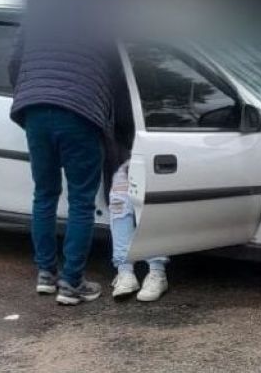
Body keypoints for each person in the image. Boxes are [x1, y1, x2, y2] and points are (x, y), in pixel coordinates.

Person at [9, 24, 133, 306]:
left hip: (36, 111)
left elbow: (15, 62)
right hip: (80, 112)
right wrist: (121, 128)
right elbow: (118, 76)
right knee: (80, 201)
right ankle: (72, 282)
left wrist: (29, 95)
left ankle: (45, 275)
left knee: (44, 194)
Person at [108, 161, 169, 301]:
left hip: (151, 152)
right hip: (124, 154)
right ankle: (125, 272)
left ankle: (157, 272)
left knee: (150, 203)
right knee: (119, 204)